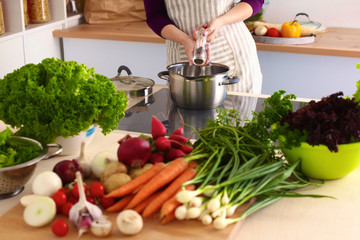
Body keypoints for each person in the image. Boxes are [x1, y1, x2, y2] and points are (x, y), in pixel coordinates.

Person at [143, 0, 264, 94]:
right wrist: (184, 40)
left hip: (233, 58)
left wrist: (222, 21)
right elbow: (155, 15)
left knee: (238, 123)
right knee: (187, 123)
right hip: (182, 56)